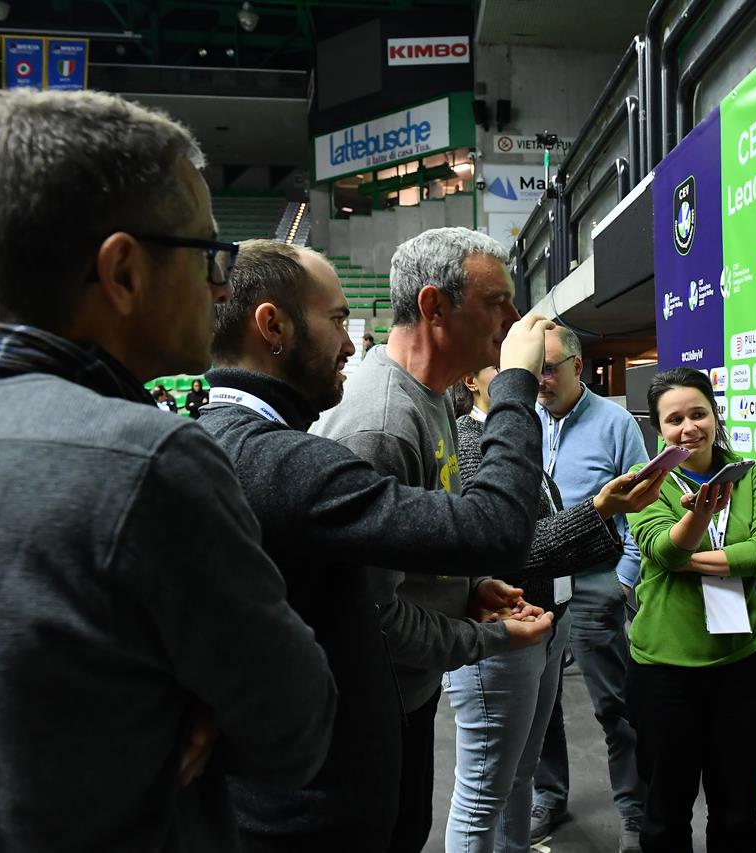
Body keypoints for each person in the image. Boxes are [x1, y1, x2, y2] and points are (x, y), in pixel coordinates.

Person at [0, 88, 336, 852]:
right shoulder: (151, 463)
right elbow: (296, 729)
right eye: (208, 254)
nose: (222, 286)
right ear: (122, 271)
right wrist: (180, 704)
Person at [198, 239, 554, 851]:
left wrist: (464, 590)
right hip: (314, 798)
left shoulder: (260, 442)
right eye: (338, 319)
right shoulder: (345, 435)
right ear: (273, 326)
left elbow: (384, 570)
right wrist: (516, 383)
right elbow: (488, 533)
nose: (350, 342)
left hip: (355, 745)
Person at [314, 226, 551, 853]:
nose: (512, 320)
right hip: (376, 702)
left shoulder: (433, 395)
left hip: (410, 690)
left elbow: (426, 537)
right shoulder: (382, 425)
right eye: (496, 302)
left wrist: (469, 586)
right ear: (434, 306)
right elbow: (374, 619)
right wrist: (490, 639)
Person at [446, 367, 667, 853]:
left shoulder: (517, 430)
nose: (526, 373)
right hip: (507, 624)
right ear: (471, 380)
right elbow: (508, 547)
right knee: (485, 792)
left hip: (551, 614)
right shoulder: (474, 440)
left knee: (522, 769)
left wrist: (617, 577)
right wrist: (599, 511)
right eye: (505, 363)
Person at [626, 367, 756, 851]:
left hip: (744, 668)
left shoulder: (748, 475)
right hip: (665, 672)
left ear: (715, 415)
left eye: (698, 414)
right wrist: (700, 517)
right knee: (664, 814)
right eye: (674, 419)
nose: (689, 428)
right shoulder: (646, 484)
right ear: (658, 428)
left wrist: (696, 560)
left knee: (737, 812)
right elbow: (663, 549)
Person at [531, 325, 649, 852]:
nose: (540, 378)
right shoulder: (523, 420)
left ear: (578, 367)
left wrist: (622, 581)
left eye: (549, 368)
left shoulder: (615, 423)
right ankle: (548, 796)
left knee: (615, 707)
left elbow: (642, 507)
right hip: (536, 583)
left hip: (595, 583)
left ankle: (634, 811)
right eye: (535, 367)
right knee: (541, 704)